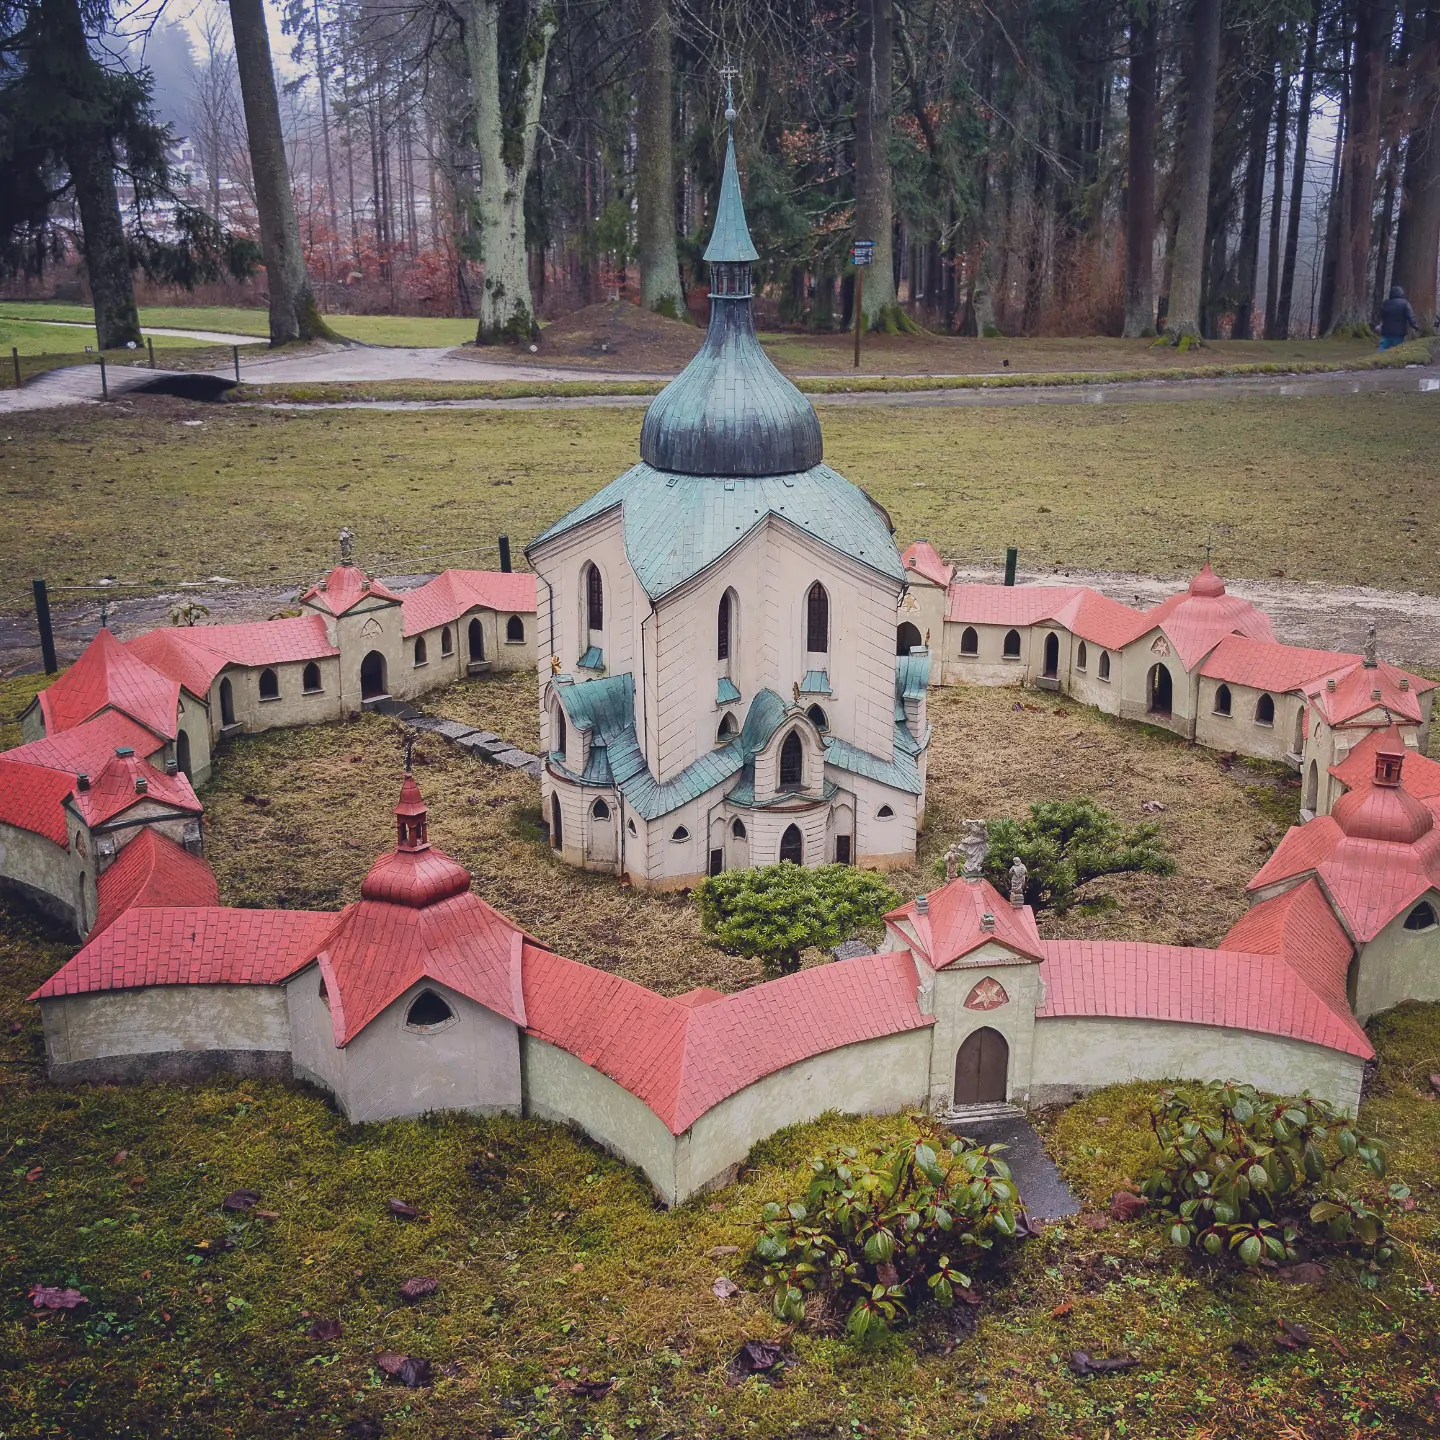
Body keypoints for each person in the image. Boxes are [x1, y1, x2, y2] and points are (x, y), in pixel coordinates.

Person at [1378, 284, 1419, 350]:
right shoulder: (1405, 303)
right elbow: (1410, 316)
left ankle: (1378, 359)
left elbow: (1381, 315)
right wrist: (1415, 326)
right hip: (1399, 333)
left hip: (1386, 332)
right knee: (1398, 350)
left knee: (1383, 348)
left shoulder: (1386, 303)